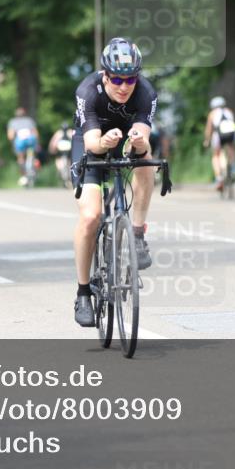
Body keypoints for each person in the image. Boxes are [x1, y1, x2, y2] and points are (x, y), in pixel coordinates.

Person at [71, 37, 157, 327]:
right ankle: (83, 292)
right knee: (91, 216)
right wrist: (104, 143)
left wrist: (137, 142)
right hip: (90, 140)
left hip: (126, 137)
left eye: (130, 78)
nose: (124, 86)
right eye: (117, 78)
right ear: (105, 75)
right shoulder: (88, 91)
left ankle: (136, 234)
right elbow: (93, 143)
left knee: (147, 160)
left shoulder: (145, 92)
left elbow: (143, 135)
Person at [204, 96, 235, 190]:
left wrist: (207, 140)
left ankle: (219, 178)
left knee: (216, 155)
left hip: (218, 135)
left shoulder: (212, 113)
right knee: (231, 148)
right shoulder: (229, 111)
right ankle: (233, 168)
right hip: (231, 134)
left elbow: (209, 128)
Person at [7, 107, 40, 186]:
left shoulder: (12, 122)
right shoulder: (29, 120)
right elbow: (35, 133)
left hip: (20, 140)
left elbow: (10, 136)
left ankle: (23, 175)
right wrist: (37, 143)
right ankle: (33, 167)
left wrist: (13, 142)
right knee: (32, 154)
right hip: (31, 140)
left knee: (20, 158)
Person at [47, 121, 76, 187]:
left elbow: (53, 142)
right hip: (68, 150)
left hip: (61, 151)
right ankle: (68, 173)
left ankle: (60, 170)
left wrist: (51, 150)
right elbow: (75, 140)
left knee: (58, 159)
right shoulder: (70, 132)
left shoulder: (59, 133)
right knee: (69, 160)